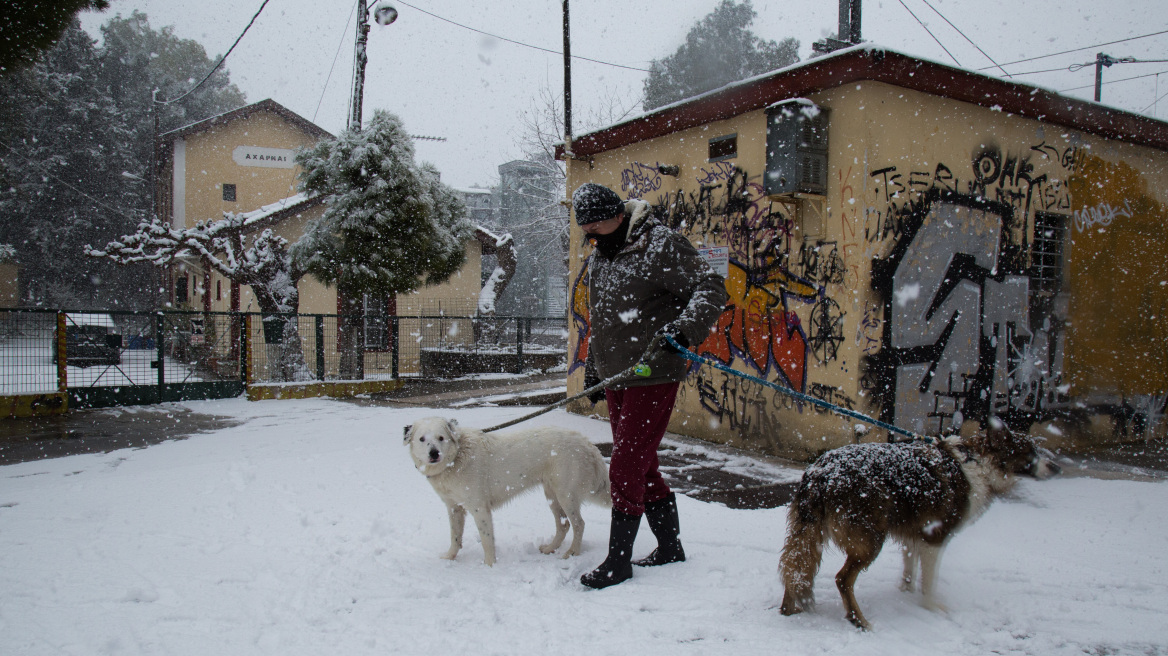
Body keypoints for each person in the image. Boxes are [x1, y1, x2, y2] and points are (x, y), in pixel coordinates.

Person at [573, 182, 728, 589]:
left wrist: (685, 329)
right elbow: (604, 318)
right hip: (618, 374)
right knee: (642, 464)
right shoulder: (602, 254)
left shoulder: (659, 244)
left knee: (626, 464)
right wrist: (595, 368)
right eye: (586, 230)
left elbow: (711, 287)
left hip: (653, 371)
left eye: (596, 227)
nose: (591, 236)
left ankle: (618, 562)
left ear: (617, 215)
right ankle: (670, 547)